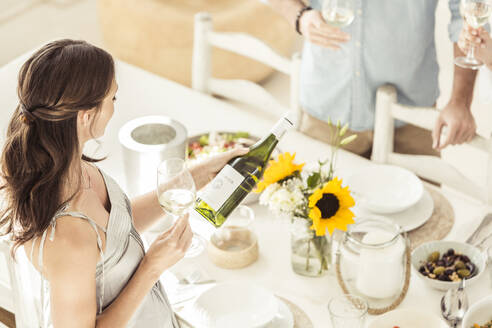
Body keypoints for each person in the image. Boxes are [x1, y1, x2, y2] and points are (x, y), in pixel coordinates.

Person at [0, 39, 248, 327]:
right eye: (112, 99)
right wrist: (152, 267)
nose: (115, 108)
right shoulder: (68, 239)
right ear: (86, 116)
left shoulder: (58, 163)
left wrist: (197, 175)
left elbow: (116, 228)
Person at [268, 0, 477, 157]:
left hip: (411, 116)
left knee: (420, 212)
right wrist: (299, 15)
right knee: (314, 209)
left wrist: (460, 101)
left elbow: (468, 13)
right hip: (327, 107)